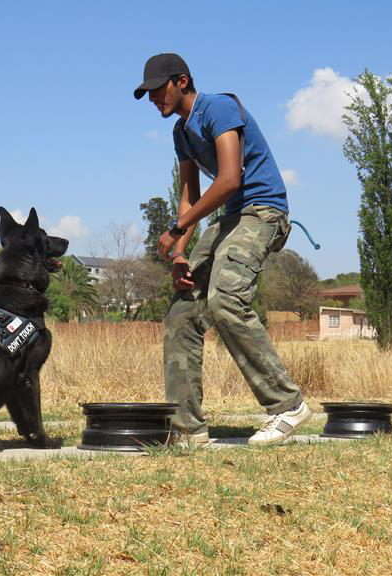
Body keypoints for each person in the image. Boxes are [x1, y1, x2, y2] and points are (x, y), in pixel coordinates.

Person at [133, 53, 311, 445]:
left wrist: (179, 227)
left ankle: (286, 404)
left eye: (156, 90)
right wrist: (180, 253)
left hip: (263, 210)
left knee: (225, 299)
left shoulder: (218, 107)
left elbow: (230, 179)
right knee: (182, 311)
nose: (151, 99)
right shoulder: (181, 133)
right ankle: (187, 430)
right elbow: (190, 196)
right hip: (231, 217)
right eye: (146, 94)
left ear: (181, 82)